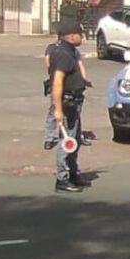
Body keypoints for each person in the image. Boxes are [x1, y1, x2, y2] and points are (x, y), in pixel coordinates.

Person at [47, 21, 91, 193]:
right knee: (66, 142)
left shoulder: (70, 51)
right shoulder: (64, 54)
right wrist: (57, 109)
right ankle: (62, 178)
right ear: (72, 35)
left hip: (74, 101)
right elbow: (57, 83)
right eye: (80, 33)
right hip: (67, 102)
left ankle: (73, 174)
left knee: (75, 140)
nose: (83, 36)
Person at [43, 38, 91, 150]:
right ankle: (49, 138)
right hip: (59, 85)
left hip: (73, 88)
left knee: (75, 114)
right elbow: (48, 63)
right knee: (54, 111)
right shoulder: (53, 48)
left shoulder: (73, 50)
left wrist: (83, 81)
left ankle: (77, 137)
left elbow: (80, 65)